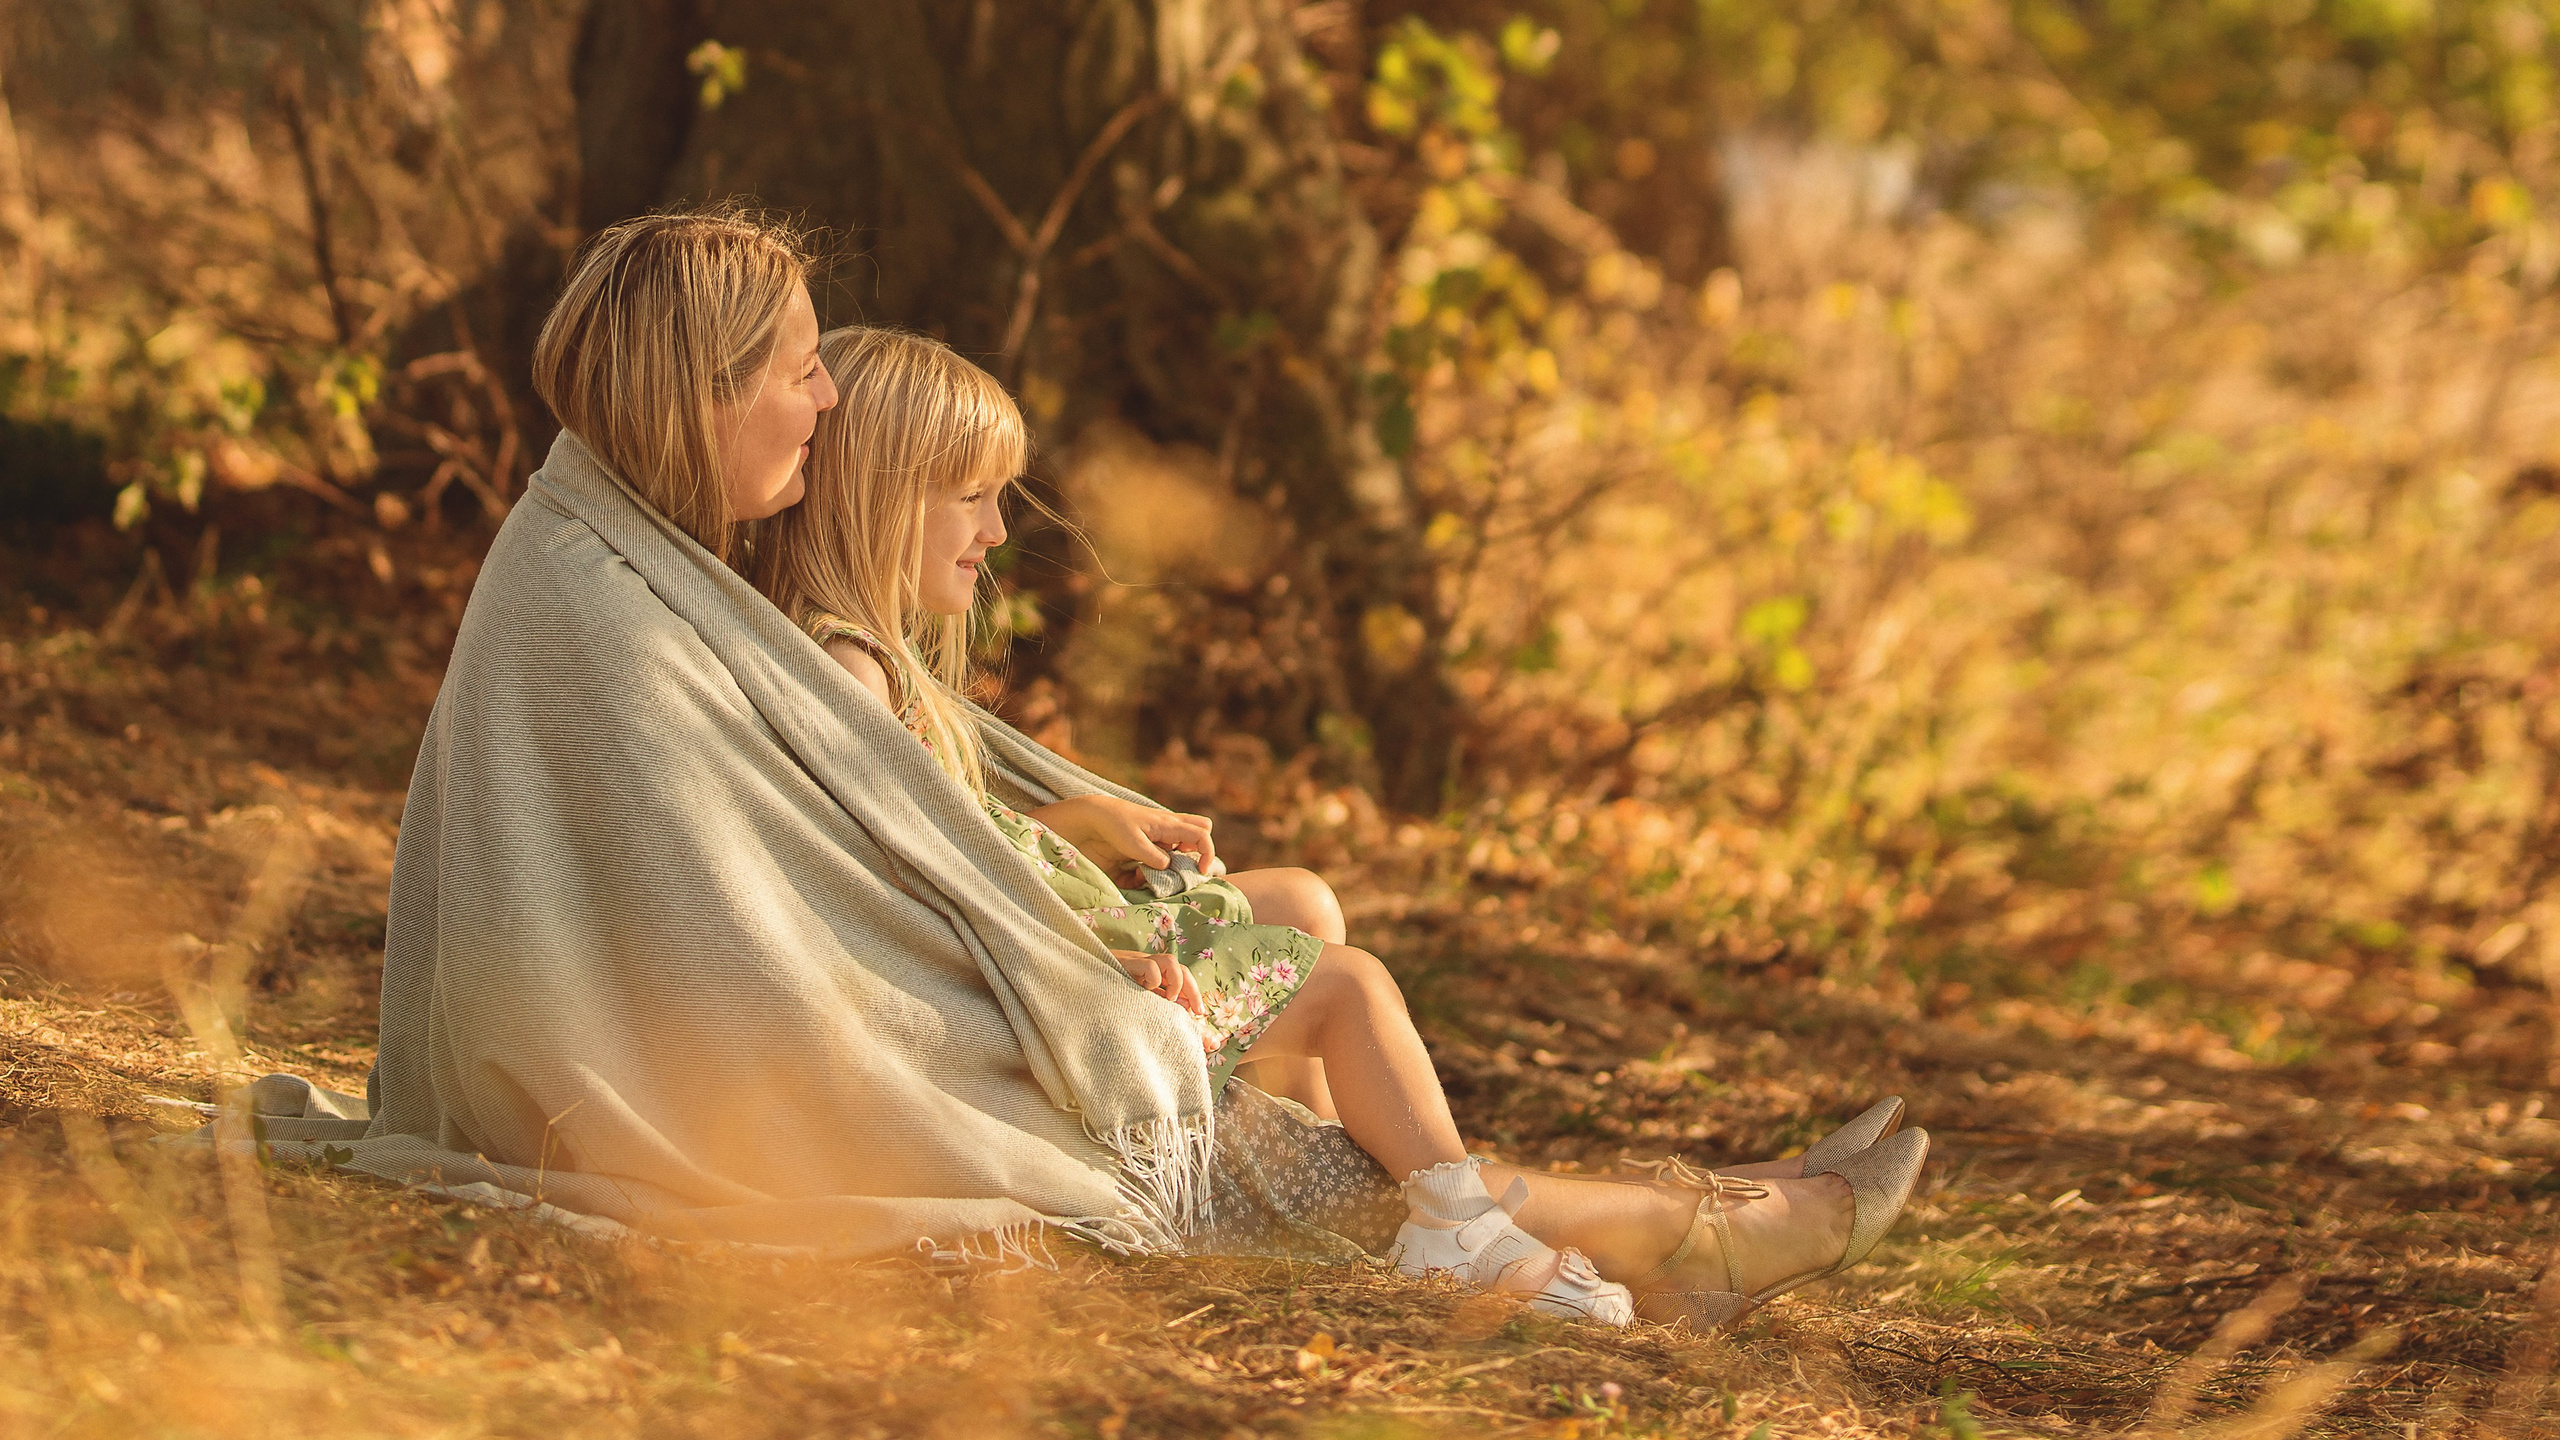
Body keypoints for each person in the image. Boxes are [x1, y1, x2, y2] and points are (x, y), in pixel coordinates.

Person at [748, 324, 1933, 1327]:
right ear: (871, 498)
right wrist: (1108, 954)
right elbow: (919, 898)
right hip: (1041, 981)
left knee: (1302, 901)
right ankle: (1498, 1230)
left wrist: (1086, 818)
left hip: (1048, 942)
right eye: (969, 499)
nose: (998, 534)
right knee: (1348, 982)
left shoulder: (872, 657)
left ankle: (1372, 1188)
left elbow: (951, 840)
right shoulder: (847, 666)